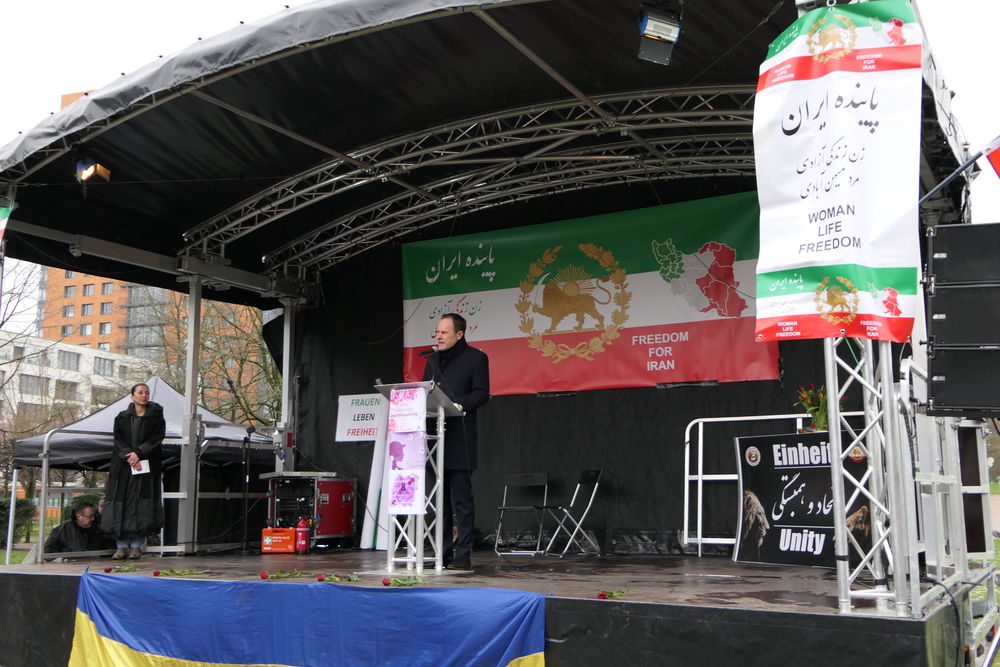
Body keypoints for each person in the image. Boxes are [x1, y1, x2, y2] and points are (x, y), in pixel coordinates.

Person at [422, 313, 490, 570]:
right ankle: (442, 551)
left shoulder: (476, 358)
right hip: (435, 438)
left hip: (459, 436)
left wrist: (460, 404)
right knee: (438, 501)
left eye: (444, 332)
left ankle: (463, 553)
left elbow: (482, 393)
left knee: (461, 498)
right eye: (437, 332)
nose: (438, 336)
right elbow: (426, 392)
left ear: (459, 334)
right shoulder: (432, 360)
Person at [103, 383, 166, 559]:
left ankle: (137, 545)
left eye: (146, 393)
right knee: (120, 503)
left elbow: (156, 438)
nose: (144, 395)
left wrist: (139, 453)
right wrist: (128, 455)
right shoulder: (121, 417)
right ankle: (121, 546)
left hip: (145, 464)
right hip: (123, 465)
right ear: (132, 396)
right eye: (140, 392)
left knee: (141, 504)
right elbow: (118, 439)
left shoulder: (156, 417)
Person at [44, 501, 110, 553]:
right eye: (90, 516)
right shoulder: (62, 530)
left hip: (96, 565)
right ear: (79, 516)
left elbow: (110, 548)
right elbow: (49, 551)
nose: (93, 519)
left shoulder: (100, 529)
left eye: (94, 516)